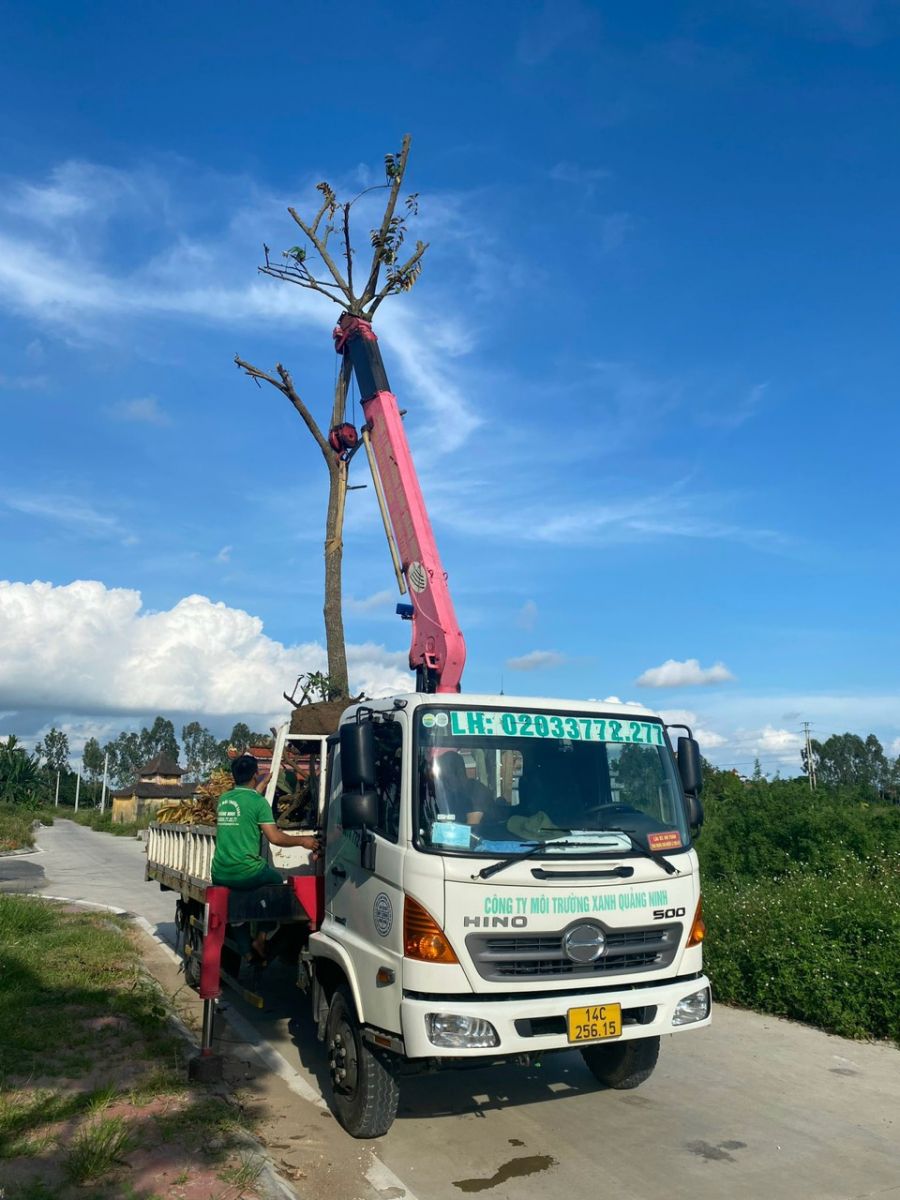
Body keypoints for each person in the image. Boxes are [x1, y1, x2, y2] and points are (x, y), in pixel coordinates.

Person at [211, 753, 319, 960]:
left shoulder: (224, 800)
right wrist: (303, 841)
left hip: (220, 872)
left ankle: (246, 951)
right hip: (246, 872)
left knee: (236, 910)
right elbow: (275, 837)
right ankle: (261, 938)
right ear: (255, 775)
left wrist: (261, 786)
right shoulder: (259, 803)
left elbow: (245, 805)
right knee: (275, 882)